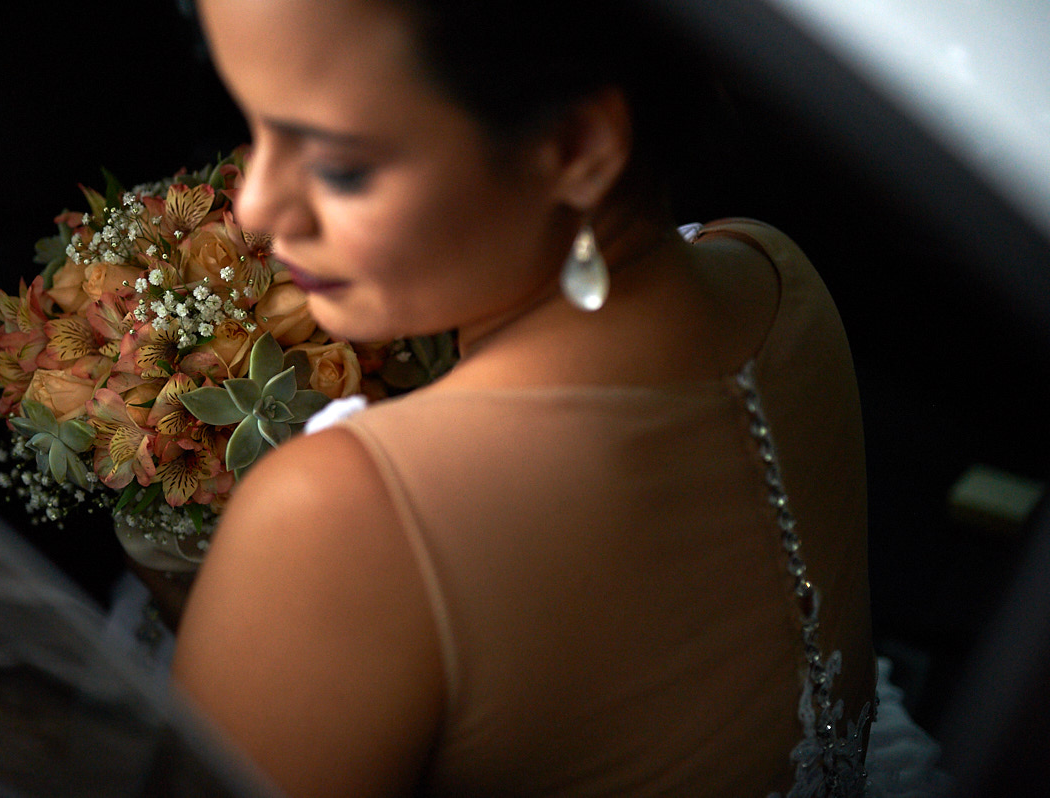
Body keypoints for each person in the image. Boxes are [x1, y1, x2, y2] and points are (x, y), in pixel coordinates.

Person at [171, 1, 877, 795]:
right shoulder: (774, 275)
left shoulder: (347, 517)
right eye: (256, 126)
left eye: (340, 168)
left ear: (576, 147)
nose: (256, 208)